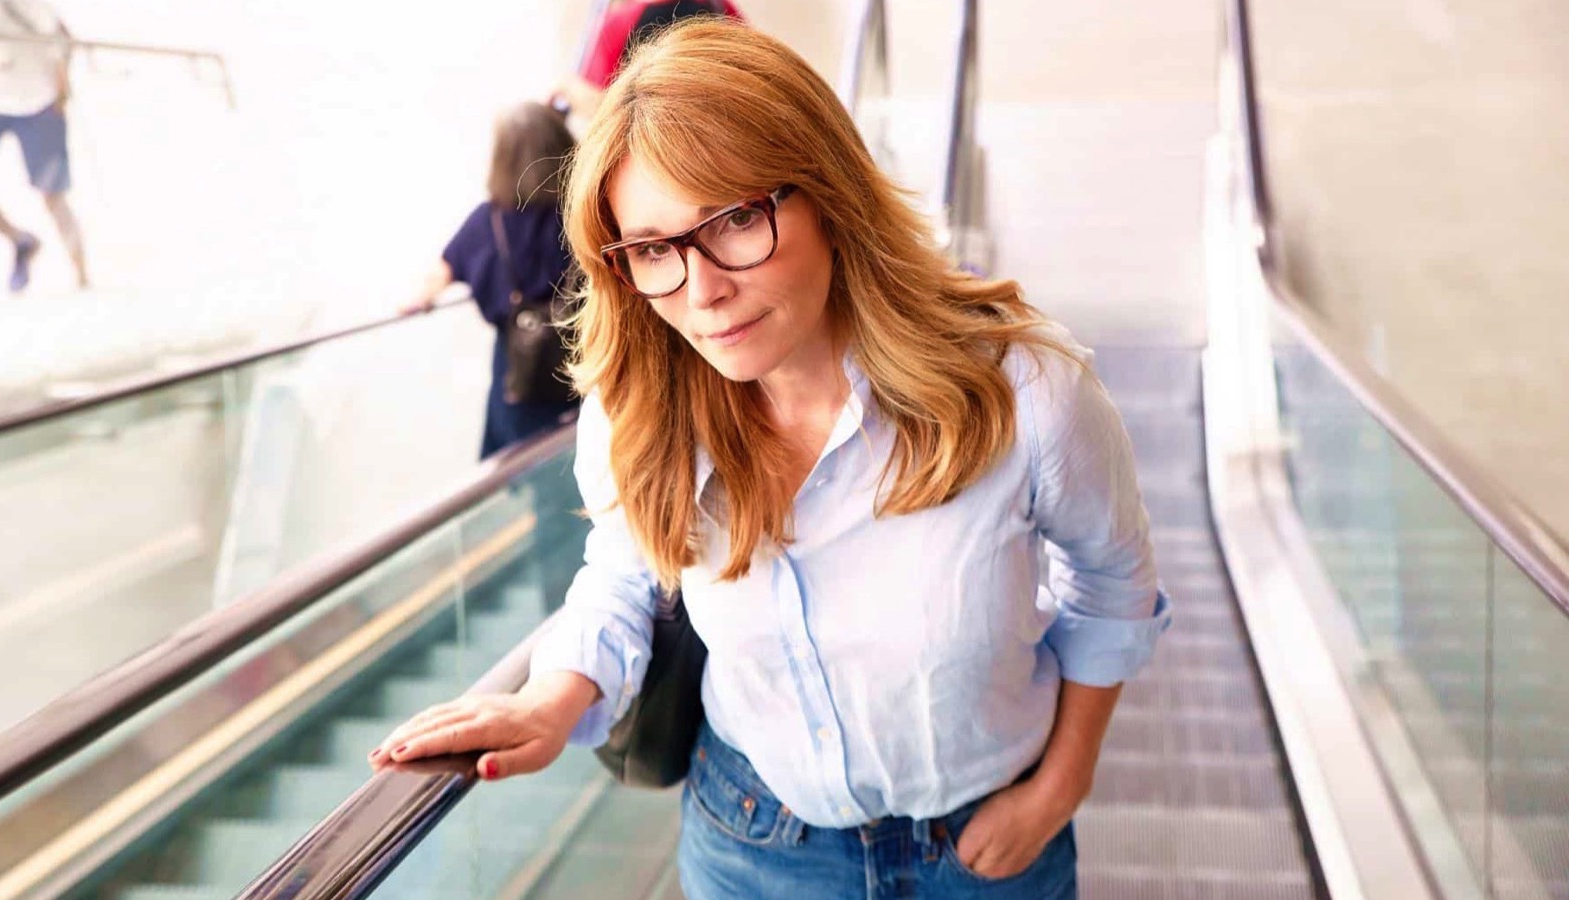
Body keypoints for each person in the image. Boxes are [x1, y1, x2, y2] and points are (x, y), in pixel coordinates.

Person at [372, 19, 1170, 899]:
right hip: (751, 845)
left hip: (989, 843)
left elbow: (1112, 582)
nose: (702, 290)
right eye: (652, 250)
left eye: (737, 219)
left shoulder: (1022, 388)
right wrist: (550, 700)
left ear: (830, 194)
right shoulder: (639, 408)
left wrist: (1060, 788)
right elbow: (628, 575)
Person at [401, 102, 579, 459]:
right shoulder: (581, 211)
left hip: (520, 376)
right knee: (573, 462)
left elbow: (442, 271)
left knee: (522, 464)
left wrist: (419, 299)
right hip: (582, 364)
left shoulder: (488, 222)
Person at [0, 0, 90, 292]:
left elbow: (58, 40)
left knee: (52, 195)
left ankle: (84, 278)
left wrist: (61, 93)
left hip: (37, 101)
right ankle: (20, 239)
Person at [554, 0, 743, 121]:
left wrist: (569, 89)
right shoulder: (721, 8)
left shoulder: (619, 24)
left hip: (653, 150)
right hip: (722, 133)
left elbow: (603, 111)